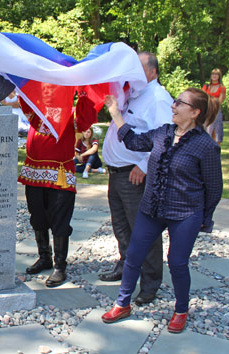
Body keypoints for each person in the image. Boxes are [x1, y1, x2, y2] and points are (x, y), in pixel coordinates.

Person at [101, 88, 222, 333]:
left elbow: (214, 188)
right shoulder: (163, 132)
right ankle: (122, 303)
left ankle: (181, 309)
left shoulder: (205, 146)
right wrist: (115, 113)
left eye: (179, 103)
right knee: (134, 256)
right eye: (175, 101)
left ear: (195, 112)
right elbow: (133, 140)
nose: (173, 106)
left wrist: (204, 218)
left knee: (177, 263)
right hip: (152, 208)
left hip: (185, 213)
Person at [99, 52, 173, 305]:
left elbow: (167, 137)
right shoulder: (133, 94)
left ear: (153, 71)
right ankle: (126, 267)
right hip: (116, 172)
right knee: (121, 227)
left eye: (138, 68)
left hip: (135, 174)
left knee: (143, 231)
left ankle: (150, 283)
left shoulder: (158, 98)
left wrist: (144, 165)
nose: (131, 73)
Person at [19, 85, 96, 288]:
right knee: (37, 217)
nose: (48, 93)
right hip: (34, 173)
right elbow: (24, 99)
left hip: (60, 174)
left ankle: (60, 266)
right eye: (45, 89)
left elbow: (86, 119)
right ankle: (44, 257)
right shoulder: (37, 112)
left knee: (60, 220)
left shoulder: (71, 114)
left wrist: (83, 92)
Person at [202, 68, 226, 144]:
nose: (214, 76)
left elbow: (220, 101)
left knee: (216, 133)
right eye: (213, 74)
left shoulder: (221, 87)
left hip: (216, 111)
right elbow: (202, 98)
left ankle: (216, 151)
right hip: (206, 110)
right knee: (206, 131)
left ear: (219, 76)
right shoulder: (206, 86)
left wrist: (211, 102)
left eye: (216, 74)